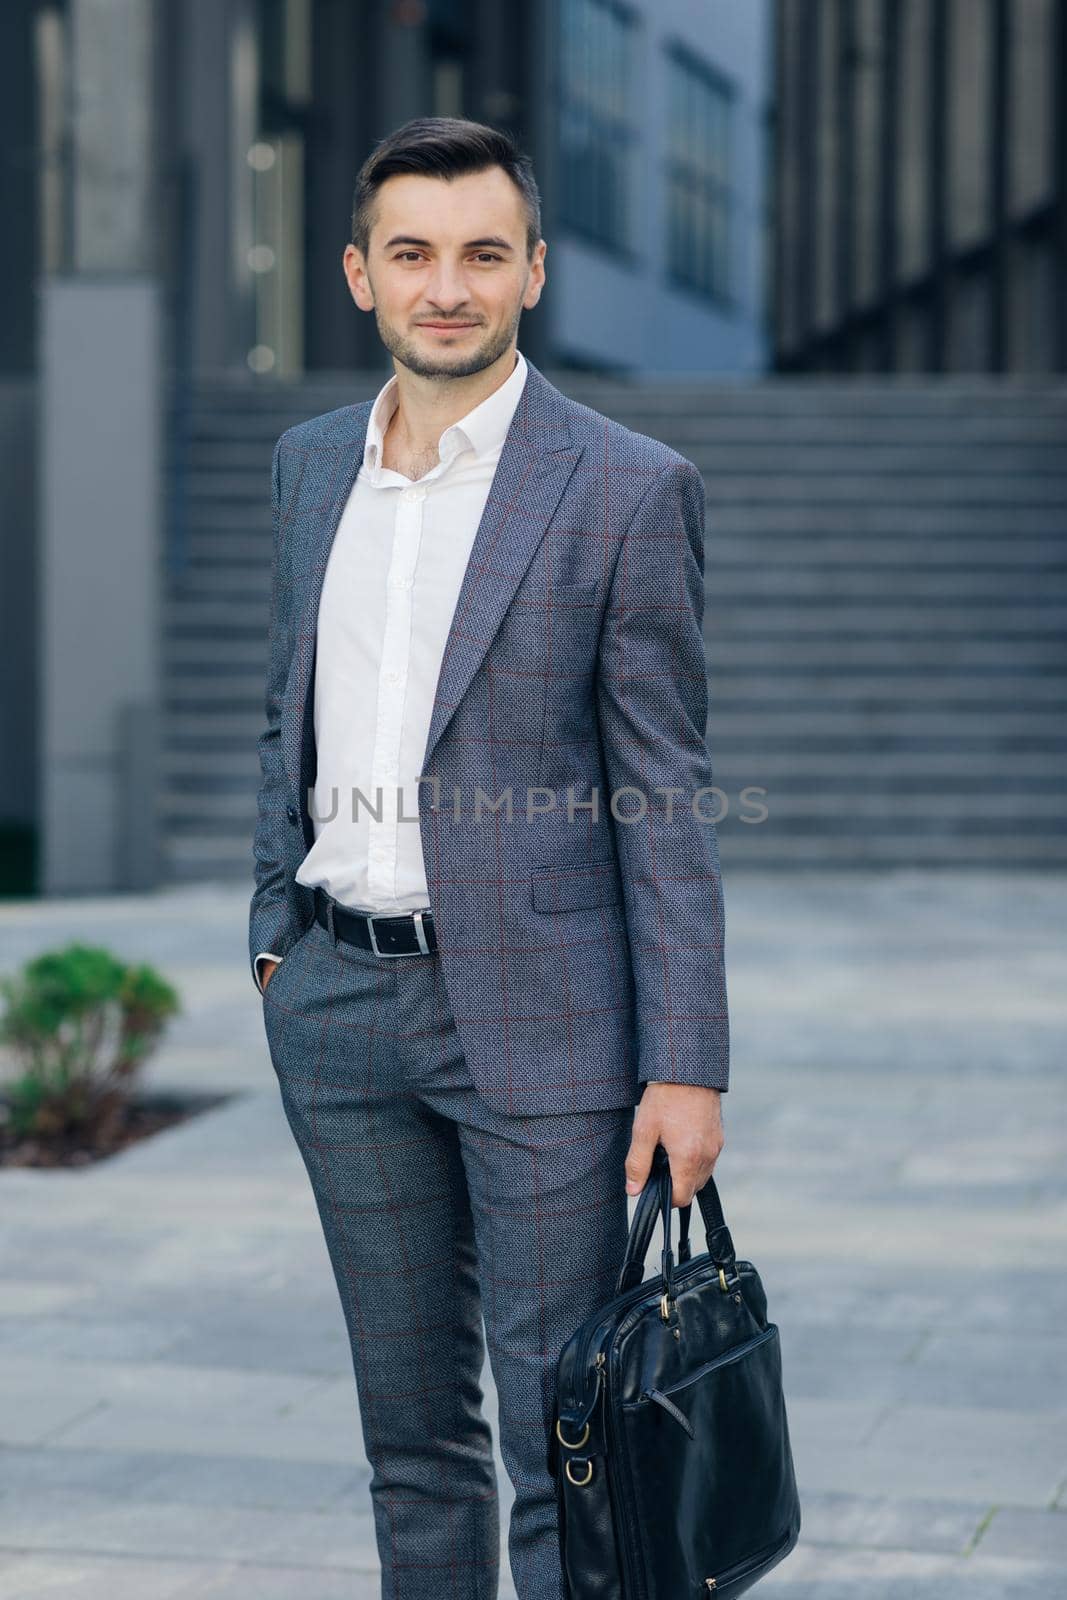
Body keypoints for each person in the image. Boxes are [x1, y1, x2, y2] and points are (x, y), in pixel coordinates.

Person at [250, 114, 729, 1600]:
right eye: (411, 254)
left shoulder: (623, 487)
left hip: (547, 1022)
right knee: (410, 1438)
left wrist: (688, 1063)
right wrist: (274, 929)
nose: (442, 286)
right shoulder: (310, 464)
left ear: (534, 271)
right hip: (334, 1006)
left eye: (478, 254)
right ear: (356, 275)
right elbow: (290, 708)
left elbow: (665, 791)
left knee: (560, 1434)